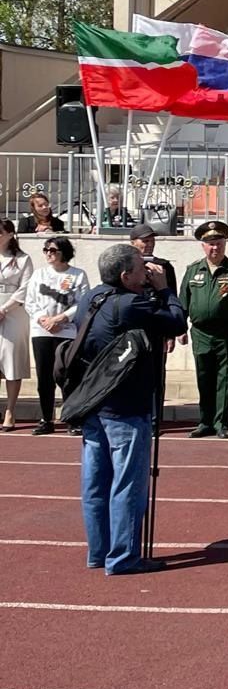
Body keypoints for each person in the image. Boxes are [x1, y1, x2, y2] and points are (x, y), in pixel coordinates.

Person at [76, 243, 186, 575]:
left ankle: (99, 551)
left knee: (95, 481)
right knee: (127, 484)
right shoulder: (129, 304)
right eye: (141, 268)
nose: (146, 271)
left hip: (92, 402)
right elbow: (177, 322)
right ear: (125, 275)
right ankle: (123, 557)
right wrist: (164, 288)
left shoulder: (92, 297)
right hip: (125, 407)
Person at [178, 221, 228, 439]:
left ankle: (221, 423)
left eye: (218, 243)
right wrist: (180, 327)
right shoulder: (193, 270)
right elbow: (183, 302)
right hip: (200, 333)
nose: (215, 248)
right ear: (203, 246)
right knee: (204, 378)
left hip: (226, 333)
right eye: (210, 244)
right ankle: (205, 421)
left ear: (225, 244)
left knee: (224, 379)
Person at [27, 236, 89, 434]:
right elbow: (30, 302)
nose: (49, 254)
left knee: (68, 376)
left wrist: (61, 318)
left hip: (67, 332)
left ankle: (72, 418)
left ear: (64, 252)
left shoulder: (78, 275)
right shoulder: (38, 275)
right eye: (46, 250)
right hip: (42, 331)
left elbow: (82, 303)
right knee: (44, 377)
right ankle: (46, 419)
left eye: (53, 250)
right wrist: (44, 320)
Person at [0, 220, 33, 431]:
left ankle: (10, 410)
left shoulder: (23, 259)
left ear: (10, 234)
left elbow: (25, 287)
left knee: (11, 359)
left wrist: (4, 309)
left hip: (13, 312)